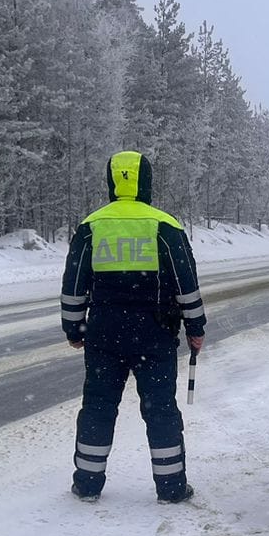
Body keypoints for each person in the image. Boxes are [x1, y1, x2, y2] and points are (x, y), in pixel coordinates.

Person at [60, 150, 205, 503]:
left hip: (104, 336)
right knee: (160, 410)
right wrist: (195, 327)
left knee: (97, 406)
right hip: (155, 335)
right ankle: (171, 488)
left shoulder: (91, 225)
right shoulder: (165, 226)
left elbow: (74, 282)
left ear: (111, 181)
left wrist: (73, 328)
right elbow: (186, 282)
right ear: (147, 181)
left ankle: (88, 483)